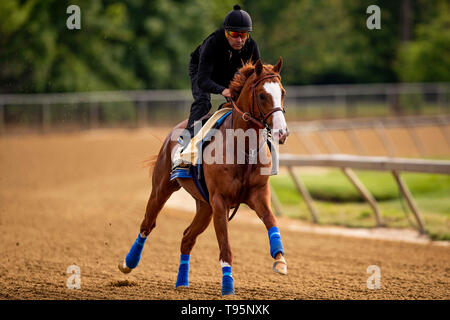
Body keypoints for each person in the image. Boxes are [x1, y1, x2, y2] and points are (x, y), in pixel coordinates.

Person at [179, 4, 261, 150]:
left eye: (244, 35)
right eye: (235, 35)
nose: (240, 40)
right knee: (203, 102)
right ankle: (186, 139)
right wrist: (223, 90)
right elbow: (203, 81)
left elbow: (257, 76)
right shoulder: (212, 43)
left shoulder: (251, 46)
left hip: (228, 71)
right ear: (226, 32)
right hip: (202, 70)